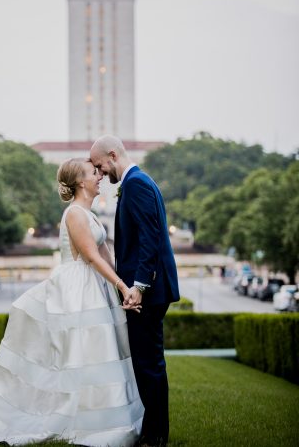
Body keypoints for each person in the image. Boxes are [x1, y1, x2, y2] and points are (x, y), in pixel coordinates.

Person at [0, 157, 144, 446]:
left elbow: (105, 254)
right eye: (93, 173)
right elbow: (91, 258)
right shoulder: (74, 214)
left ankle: (101, 414)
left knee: (98, 352)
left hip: (95, 287)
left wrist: (125, 289)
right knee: (83, 352)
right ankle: (82, 419)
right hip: (78, 287)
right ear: (81, 182)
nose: (99, 177)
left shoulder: (90, 214)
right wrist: (120, 285)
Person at [90, 136, 180, 446]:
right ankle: (153, 430)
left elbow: (150, 238)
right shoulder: (137, 182)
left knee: (148, 364)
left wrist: (139, 286)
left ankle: (155, 436)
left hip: (149, 292)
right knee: (147, 362)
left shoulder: (137, 183)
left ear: (113, 155)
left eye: (101, 165)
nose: (101, 173)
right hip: (150, 290)